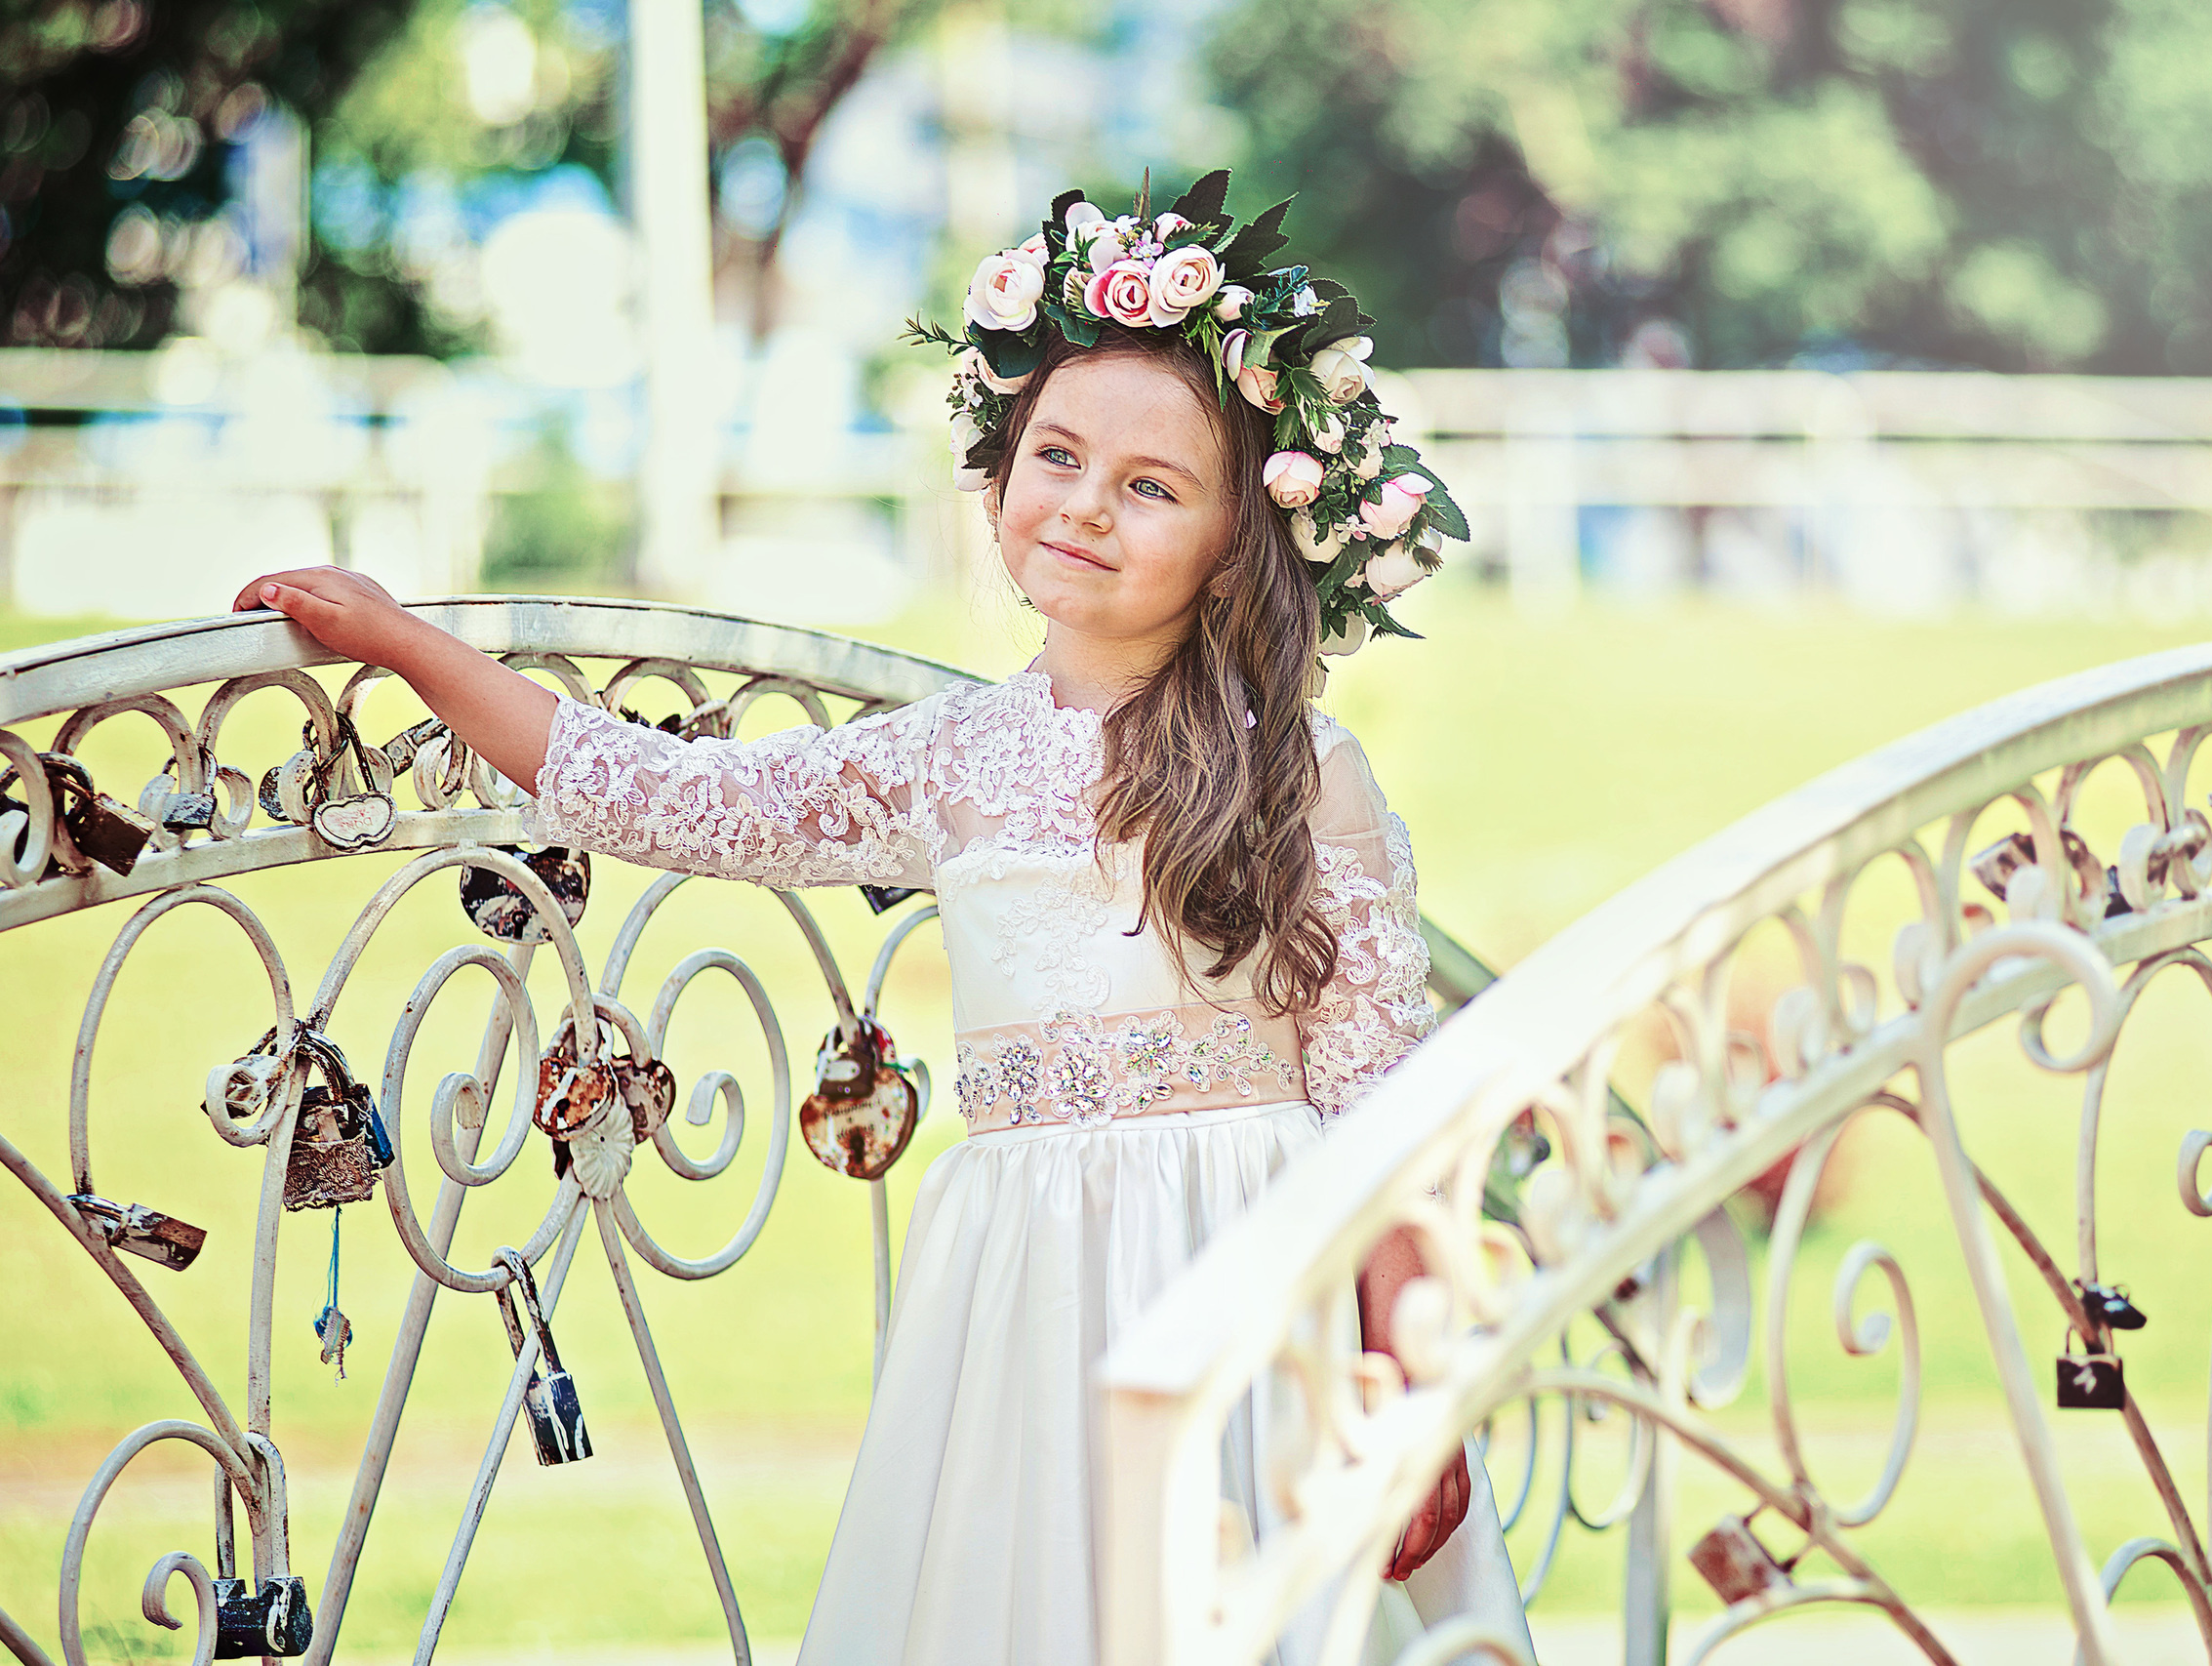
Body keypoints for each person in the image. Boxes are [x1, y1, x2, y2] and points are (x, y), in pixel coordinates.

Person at [232, 171, 1529, 1665]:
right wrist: (409, 644)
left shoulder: (1307, 773)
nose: (1087, 507)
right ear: (998, 480)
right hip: (1029, 1283)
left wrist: (1418, 1394)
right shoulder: (947, 759)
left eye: (1152, 485)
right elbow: (660, 797)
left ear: (1241, 539)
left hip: (1256, 1267)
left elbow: (1382, 1107)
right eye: (1057, 457)